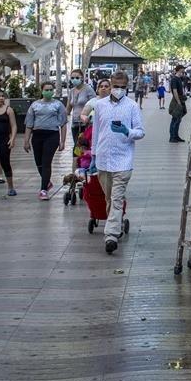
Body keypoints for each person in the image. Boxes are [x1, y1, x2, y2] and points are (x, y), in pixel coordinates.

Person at [90, 70, 145, 254]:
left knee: (117, 198)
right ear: (110, 85)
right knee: (109, 198)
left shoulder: (132, 106)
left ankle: (111, 235)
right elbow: (96, 131)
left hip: (123, 161)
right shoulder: (99, 106)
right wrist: (93, 154)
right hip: (103, 160)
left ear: (127, 86)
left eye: (122, 87)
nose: (118, 90)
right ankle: (117, 223)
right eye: (116, 86)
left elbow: (140, 131)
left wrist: (126, 131)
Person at [24, 81, 68, 201]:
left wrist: (62, 141)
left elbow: (63, 124)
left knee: (46, 162)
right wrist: (26, 140)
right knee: (39, 162)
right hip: (37, 135)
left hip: (52, 135)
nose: (48, 92)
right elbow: (29, 124)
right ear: (42, 91)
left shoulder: (58, 105)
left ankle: (43, 189)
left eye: (50, 90)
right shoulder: (34, 105)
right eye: (46, 90)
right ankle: (47, 182)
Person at [66, 68, 95, 144]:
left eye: (77, 78)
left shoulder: (88, 89)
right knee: (77, 147)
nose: (74, 79)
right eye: (72, 78)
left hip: (86, 123)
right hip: (75, 123)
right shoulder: (71, 91)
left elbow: (95, 104)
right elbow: (68, 108)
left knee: (85, 147)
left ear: (82, 78)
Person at [168, 64, 188, 143]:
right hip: (177, 100)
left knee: (178, 119)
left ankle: (176, 136)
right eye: (182, 70)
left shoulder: (179, 78)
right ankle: (172, 137)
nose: (183, 71)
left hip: (180, 99)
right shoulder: (174, 79)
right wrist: (178, 102)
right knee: (175, 119)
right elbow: (175, 91)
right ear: (179, 70)